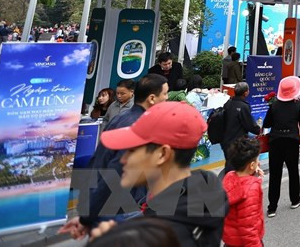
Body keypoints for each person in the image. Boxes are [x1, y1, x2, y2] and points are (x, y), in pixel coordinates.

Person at [96, 102, 226, 246]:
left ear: (162, 154)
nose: (123, 159)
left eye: (132, 150)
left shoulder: (154, 238)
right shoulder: (204, 198)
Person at [63, 75, 169, 238]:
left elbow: (97, 159)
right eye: (165, 94)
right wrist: (87, 217)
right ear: (152, 98)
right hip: (122, 209)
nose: (167, 99)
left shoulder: (121, 118)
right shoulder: (139, 127)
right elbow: (115, 174)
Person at [262, 76, 300, 216]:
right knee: (293, 171)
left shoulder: (274, 105)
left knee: (275, 174)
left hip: (275, 141)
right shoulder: (297, 106)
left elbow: (266, 124)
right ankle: (295, 200)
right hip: (291, 141)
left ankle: (272, 207)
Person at [222, 137, 265, 247]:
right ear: (251, 165)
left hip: (230, 241)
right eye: (256, 161)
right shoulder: (252, 188)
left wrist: (252, 175)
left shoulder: (229, 177)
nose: (258, 163)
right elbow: (248, 229)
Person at [220, 82, 260, 174]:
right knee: (236, 168)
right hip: (237, 142)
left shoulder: (228, 103)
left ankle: (228, 184)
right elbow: (249, 124)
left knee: (229, 165)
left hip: (225, 140)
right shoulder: (243, 106)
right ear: (245, 93)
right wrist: (258, 130)